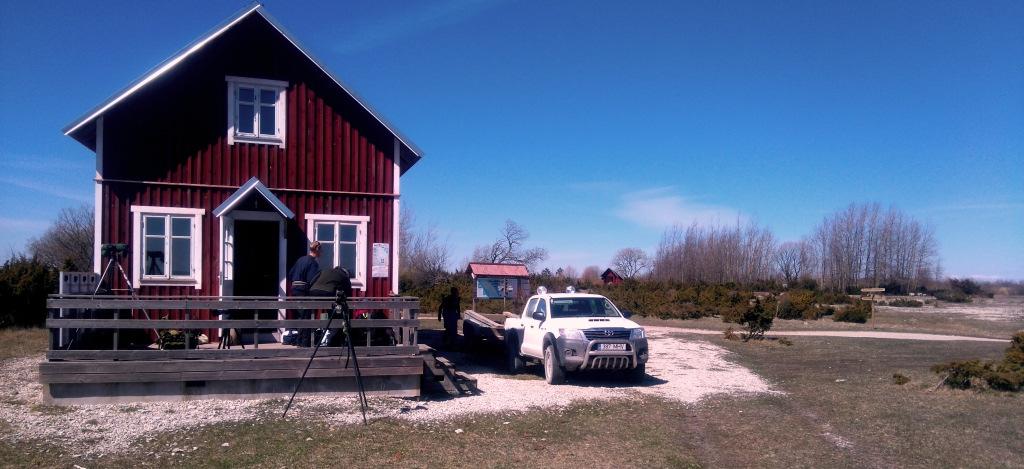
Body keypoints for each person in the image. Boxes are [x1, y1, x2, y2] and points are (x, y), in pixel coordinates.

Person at [285, 241, 321, 346]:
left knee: (300, 316)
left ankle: (299, 341)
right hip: (303, 291)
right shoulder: (313, 263)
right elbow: (312, 280)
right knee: (306, 317)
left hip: (294, 290)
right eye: (321, 251)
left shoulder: (300, 259)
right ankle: (304, 343)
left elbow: (290, 274)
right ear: (317, 250)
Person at [308, 266, 353, 346]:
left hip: (313, 291)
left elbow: (312, 280)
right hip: (328, 292)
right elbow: (348, 292)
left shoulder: (325, 270)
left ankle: (309, 340)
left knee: (313, 314)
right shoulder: (344, 275)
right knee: (336, 315)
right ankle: (333, 340)